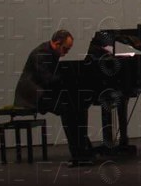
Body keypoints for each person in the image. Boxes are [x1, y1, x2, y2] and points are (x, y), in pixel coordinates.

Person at [14, 30, 95, 165]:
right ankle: (78, 153)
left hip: (43, 91)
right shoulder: (41, 54)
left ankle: (84, 149)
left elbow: (53, 81)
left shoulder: (51, 52)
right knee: (67, 109)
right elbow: (48, 81)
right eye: (65, 49)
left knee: (77, 106)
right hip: (32, 96)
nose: (66, 52)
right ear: (57, 44)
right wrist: (69, 81)